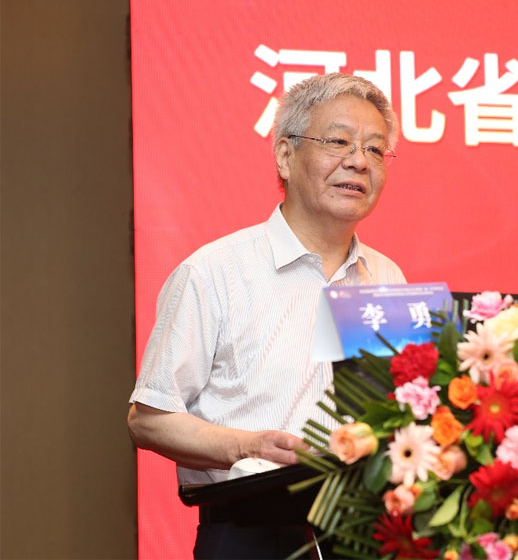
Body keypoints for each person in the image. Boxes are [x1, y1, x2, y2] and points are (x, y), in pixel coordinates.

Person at [127, 73, 406, 559]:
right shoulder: (213, 272)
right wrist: (247, 446)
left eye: (375, 149)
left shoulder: (387, 278)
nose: (359, 161)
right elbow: (148, 420)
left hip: (365, 532)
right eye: (338, 141)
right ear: (284, 155)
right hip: (250, 532)